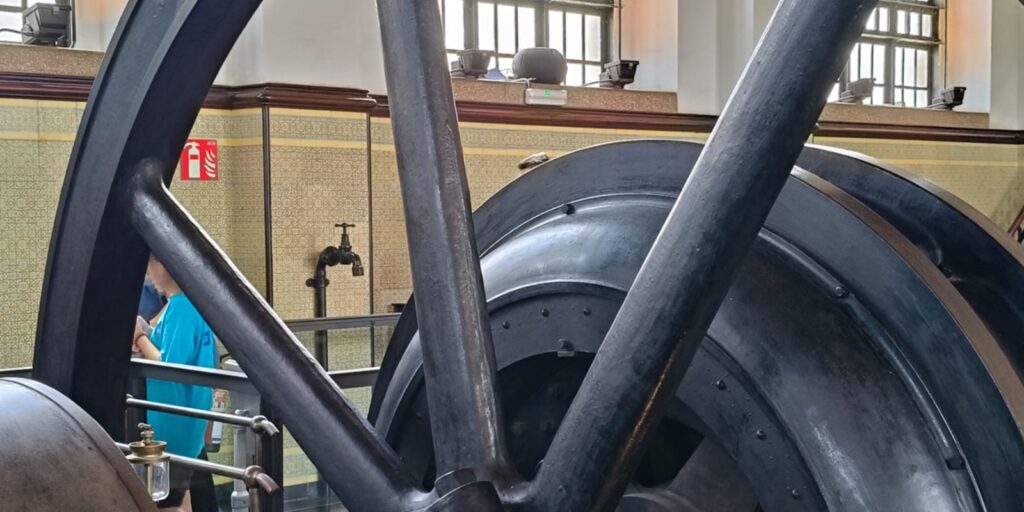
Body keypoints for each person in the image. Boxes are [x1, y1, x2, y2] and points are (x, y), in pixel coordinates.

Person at [133, 255, 218, 511]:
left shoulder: (180, 308)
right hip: (188, 416)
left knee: (168, 499)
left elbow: (169, 362)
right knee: (193, 490)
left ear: (167, 266)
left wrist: (139, 338)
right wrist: (148, 334)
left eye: (151, 265)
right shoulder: (189, 306)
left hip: (173, 418)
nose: (147, 272)